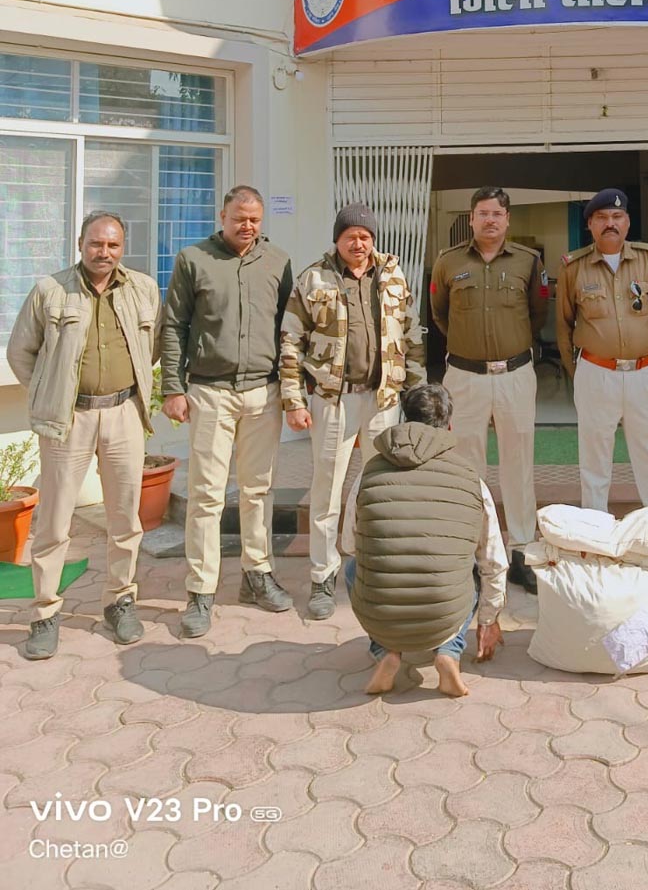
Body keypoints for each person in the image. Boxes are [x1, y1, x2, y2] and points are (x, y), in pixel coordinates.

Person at [7, 211, 160, 659]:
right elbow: (20, 352)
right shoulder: (50, 291)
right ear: (80, 244)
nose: (104, 252)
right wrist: (50, 392)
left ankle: (119, 601)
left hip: (124, 413)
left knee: (125, 518)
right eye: (96, 243)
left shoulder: (143, 289)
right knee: (54, 521)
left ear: (122, 247)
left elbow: (152, 346)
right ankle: (45, 612)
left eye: (113, 245)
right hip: (68, 419)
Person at [280, 202, 426, 620]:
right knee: (327, 491)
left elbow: (412, 334)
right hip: (332, 400)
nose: (358, 243)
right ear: (337, 239)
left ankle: (377, 568)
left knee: (382, 487)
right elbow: (291, 340)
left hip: (383, 400)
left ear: (373, 239)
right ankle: (322, 576)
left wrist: (417, 395)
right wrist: (293, 400)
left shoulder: (393, 275)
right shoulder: (313, 278)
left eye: (365, 236)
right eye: (350, 236)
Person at [160, 185, 294, 639]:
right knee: (206, 496)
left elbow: (288, 329)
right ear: (222, 216)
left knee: (258, 490)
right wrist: (172, 388)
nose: (247, 226)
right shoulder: (193, 260)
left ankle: (257, 575)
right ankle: (201, 591)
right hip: (209, 392)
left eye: (254, 219)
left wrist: (291, 388)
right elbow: (173, 326)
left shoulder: (277, 262)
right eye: (239, 218)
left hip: (263, 393)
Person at [343, 383, 508, 697]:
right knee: (473, 568)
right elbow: (494, 562)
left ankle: (386, 651)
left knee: (353, 568)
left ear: (404, 420)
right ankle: (449, 652)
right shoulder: (471, 479)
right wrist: (489, 619)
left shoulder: (368, 473)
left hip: (383, 615)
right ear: (449, 426)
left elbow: (349, 545)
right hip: (443, 613)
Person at [429, 187, 548, 594]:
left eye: (497, 213)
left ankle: (521, 552)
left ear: (508, 219)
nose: (490, 220)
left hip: (515, 374)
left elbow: (537, 314)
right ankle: (474, 554)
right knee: (466, 468)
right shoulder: (448, 262)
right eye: (483, 213)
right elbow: (440, 315)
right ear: (471, 218)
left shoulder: (529, 262)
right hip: (465, 377)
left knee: (519, 464)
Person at [557, 187, 648, 514]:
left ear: (627, 222)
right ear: (590, 225)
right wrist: (580, 371)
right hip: (596, 373)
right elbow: (563, 325)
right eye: (602, 217)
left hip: (643, 372)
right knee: (594, 461)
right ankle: (596, 533)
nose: (610, 223)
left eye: (617, 216)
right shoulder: (573, 267)